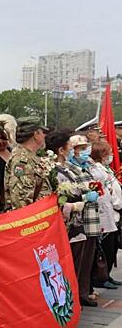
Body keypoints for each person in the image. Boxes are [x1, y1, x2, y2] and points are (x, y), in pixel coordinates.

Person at [45, 130, 95, 305]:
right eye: (69, 146)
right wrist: (78, 204)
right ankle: (67, 302)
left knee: (78, 264)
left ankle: (75, 299)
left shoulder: (67, 168)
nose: (72, 150)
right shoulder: (52, 170)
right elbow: (57, 200)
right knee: (68, 266)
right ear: (60, 149)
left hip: (77, 224)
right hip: (66, 225)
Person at [66, 134, 102, 306]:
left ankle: (84, 292)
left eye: (85, 147)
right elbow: (71, 192)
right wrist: (87, 195)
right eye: (80, 148)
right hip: (79, 219)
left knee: (88, 258)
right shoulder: (69, 168)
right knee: (78, 260)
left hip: (92, 217)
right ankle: (77, 294)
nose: (84, 151)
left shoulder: (86, 167)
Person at [89, 141, 122, 289]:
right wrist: (117, 203)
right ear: (101, 154)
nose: (112, 155)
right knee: (106, 247)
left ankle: (107, 275)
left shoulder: (105, 168)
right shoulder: (96, 169)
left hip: (113, 212)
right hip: (107, 211)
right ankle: (101, 278)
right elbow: (105, 190)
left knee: (113, 246)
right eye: (109, 152)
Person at [4, 117, 52, 210]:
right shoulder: (22, 160)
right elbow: (20, 199)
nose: (44, 136)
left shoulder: (29, 156)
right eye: (43, 132)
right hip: (29, 219)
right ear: (36, 134)